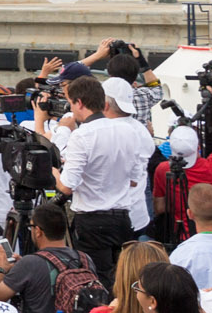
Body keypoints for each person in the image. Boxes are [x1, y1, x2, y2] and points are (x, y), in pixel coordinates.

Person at [62, 77, 153, 289]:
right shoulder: (130, 131)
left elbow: (67, 185)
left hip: (92, 220)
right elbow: (133, 181)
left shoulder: (81, 135)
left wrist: (53, 171)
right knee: (123, 280)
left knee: (96, 282)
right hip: (122, 218)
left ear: (80, 103)